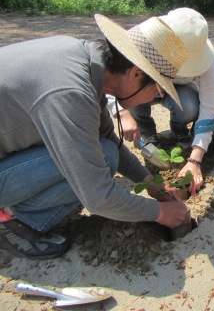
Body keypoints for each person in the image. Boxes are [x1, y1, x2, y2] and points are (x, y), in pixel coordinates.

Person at [0, 14, 192, 260]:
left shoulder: (84, 63)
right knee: (101, 160)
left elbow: (108, 138)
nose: (153, 101)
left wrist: (150, 182)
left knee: (105, 152)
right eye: (156, 92)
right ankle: (14, 222)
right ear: (135, 74)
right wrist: (161, 213)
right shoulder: (70, 92)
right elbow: (98, 197)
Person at [108, 8, 214, 189]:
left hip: (181, 94)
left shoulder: (207, 59)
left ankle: (179, 131)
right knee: (133, 94)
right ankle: (147, 135)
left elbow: (208, 108)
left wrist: (195, 159)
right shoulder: (140, 43)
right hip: (142, 92)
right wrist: (121, 112)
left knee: (194, 110)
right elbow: (107, 78)